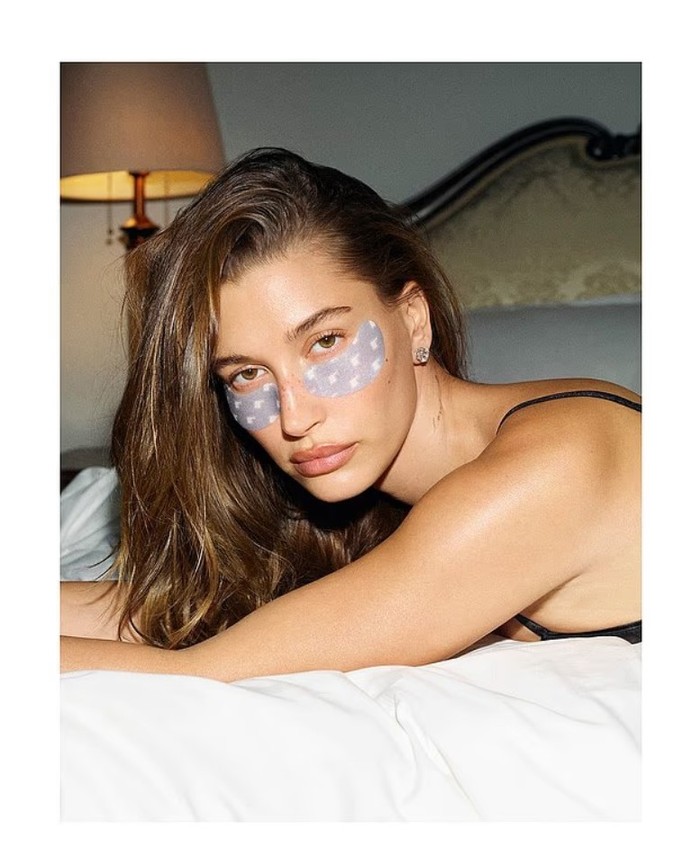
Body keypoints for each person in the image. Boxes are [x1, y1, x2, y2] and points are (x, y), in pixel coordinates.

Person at [60, 147, 641, 682]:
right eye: (247, 374)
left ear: (413, 318)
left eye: (324, 342)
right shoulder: (375, 506)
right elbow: (174, 610)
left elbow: (202, 672)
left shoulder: (556, 463)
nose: (294, 418)